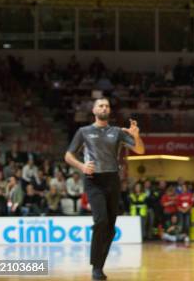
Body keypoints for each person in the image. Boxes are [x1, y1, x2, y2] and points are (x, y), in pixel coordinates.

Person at [64, 98, 145, 281]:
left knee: (110, 228)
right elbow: (68, 155)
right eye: (100, 105)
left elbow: (140, 150)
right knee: (101, 221)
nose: (104, 107)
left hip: (112, 180)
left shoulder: (117, 132)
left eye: (107, 105)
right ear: (94, 110)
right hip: (94, 180)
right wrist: (82, 166)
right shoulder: (84, 131)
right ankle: (95, 265)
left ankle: (98, 268)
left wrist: (136, 136)